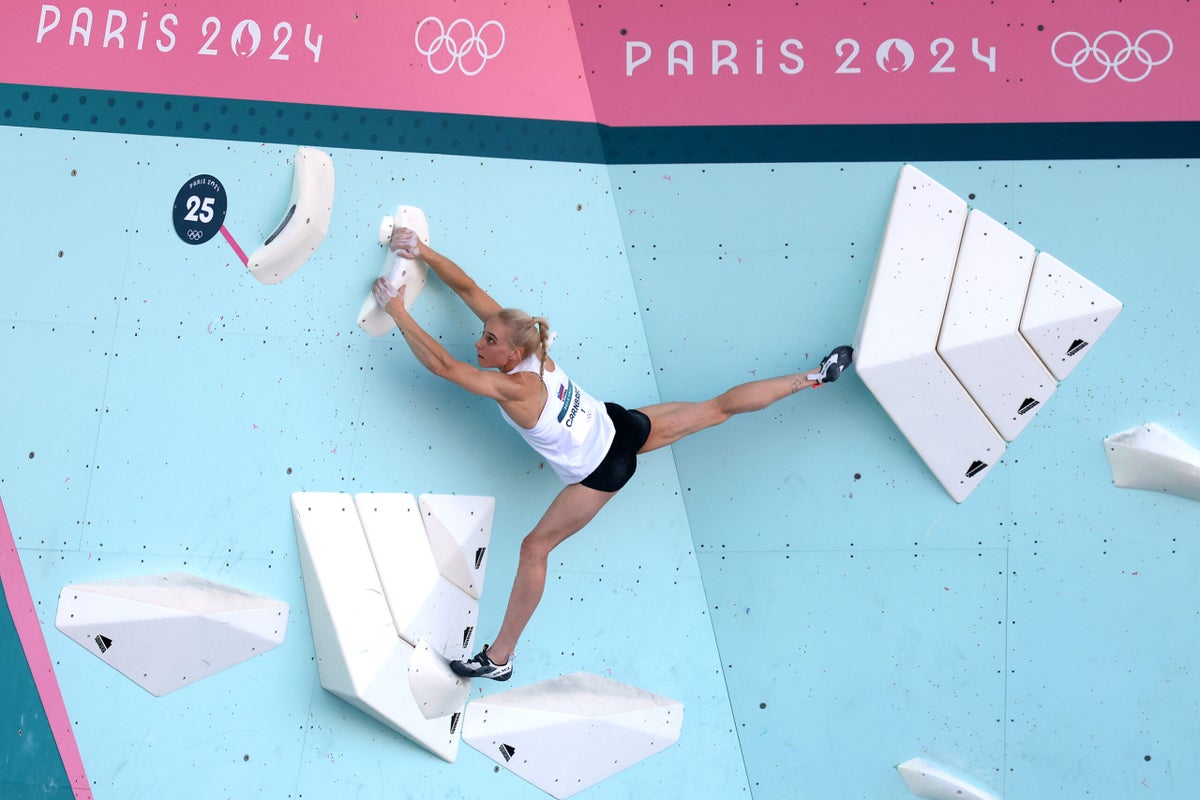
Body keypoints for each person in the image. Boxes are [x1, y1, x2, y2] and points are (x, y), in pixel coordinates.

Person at [372, 227, 853, 682]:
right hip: (622, 425)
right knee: (718, 407)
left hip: (605, 468)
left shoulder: (513, 388)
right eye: (484, 335)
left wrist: (394, 308)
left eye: (489, 341)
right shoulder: (533, 347)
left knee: (534, 548)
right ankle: (812, 376)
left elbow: (442, 365)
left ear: (513, 355)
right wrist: (425, 253)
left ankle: (500, 658)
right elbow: (471, 290)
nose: (480, 342)